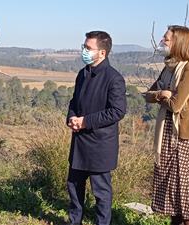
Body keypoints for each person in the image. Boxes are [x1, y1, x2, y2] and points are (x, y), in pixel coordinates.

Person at [144, 25, 189, 225]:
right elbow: (148, 95)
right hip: (167, 133)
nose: (162, 41)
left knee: (186, 192)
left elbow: (177, 105)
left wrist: (165, 96)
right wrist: (164, 94)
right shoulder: (169, 67)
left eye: (166, 38)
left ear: (178, 43)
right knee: (171, 190)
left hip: (185, 134)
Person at [66, 31, 127, 225]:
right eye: (84, 47)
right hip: (79, 141)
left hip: (100, 144)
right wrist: (72, 118)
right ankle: (75, 220)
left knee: (101, 191)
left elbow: (117, 111)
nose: (84, 51)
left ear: (102, 53)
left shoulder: (114, 78)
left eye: (88, 48)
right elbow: (74, 101)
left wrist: (85, 122)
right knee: (74, 186)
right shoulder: (82, 73)